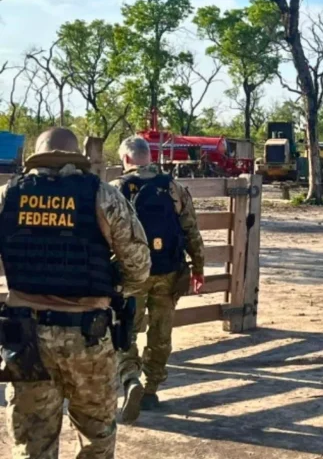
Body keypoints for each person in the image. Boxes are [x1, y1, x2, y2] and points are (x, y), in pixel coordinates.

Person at [0, 127, 151, 458]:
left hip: (25, 337)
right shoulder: (102, 195)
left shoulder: (7, 196)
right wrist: (110, 288)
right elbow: (139, 266)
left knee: (32, 441)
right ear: (76, 159)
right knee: (96, 437)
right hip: (88, 337)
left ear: (35, 157)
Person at [112, 136, 205, 423]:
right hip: (169, 270)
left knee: (124, 329)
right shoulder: (173, 187)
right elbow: (191, 230)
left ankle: (130, 379)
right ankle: (151, 390)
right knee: (161, 331)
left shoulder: (117, 190)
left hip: (132, 274)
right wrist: (198, 267)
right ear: (149, 157)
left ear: (126, 159)